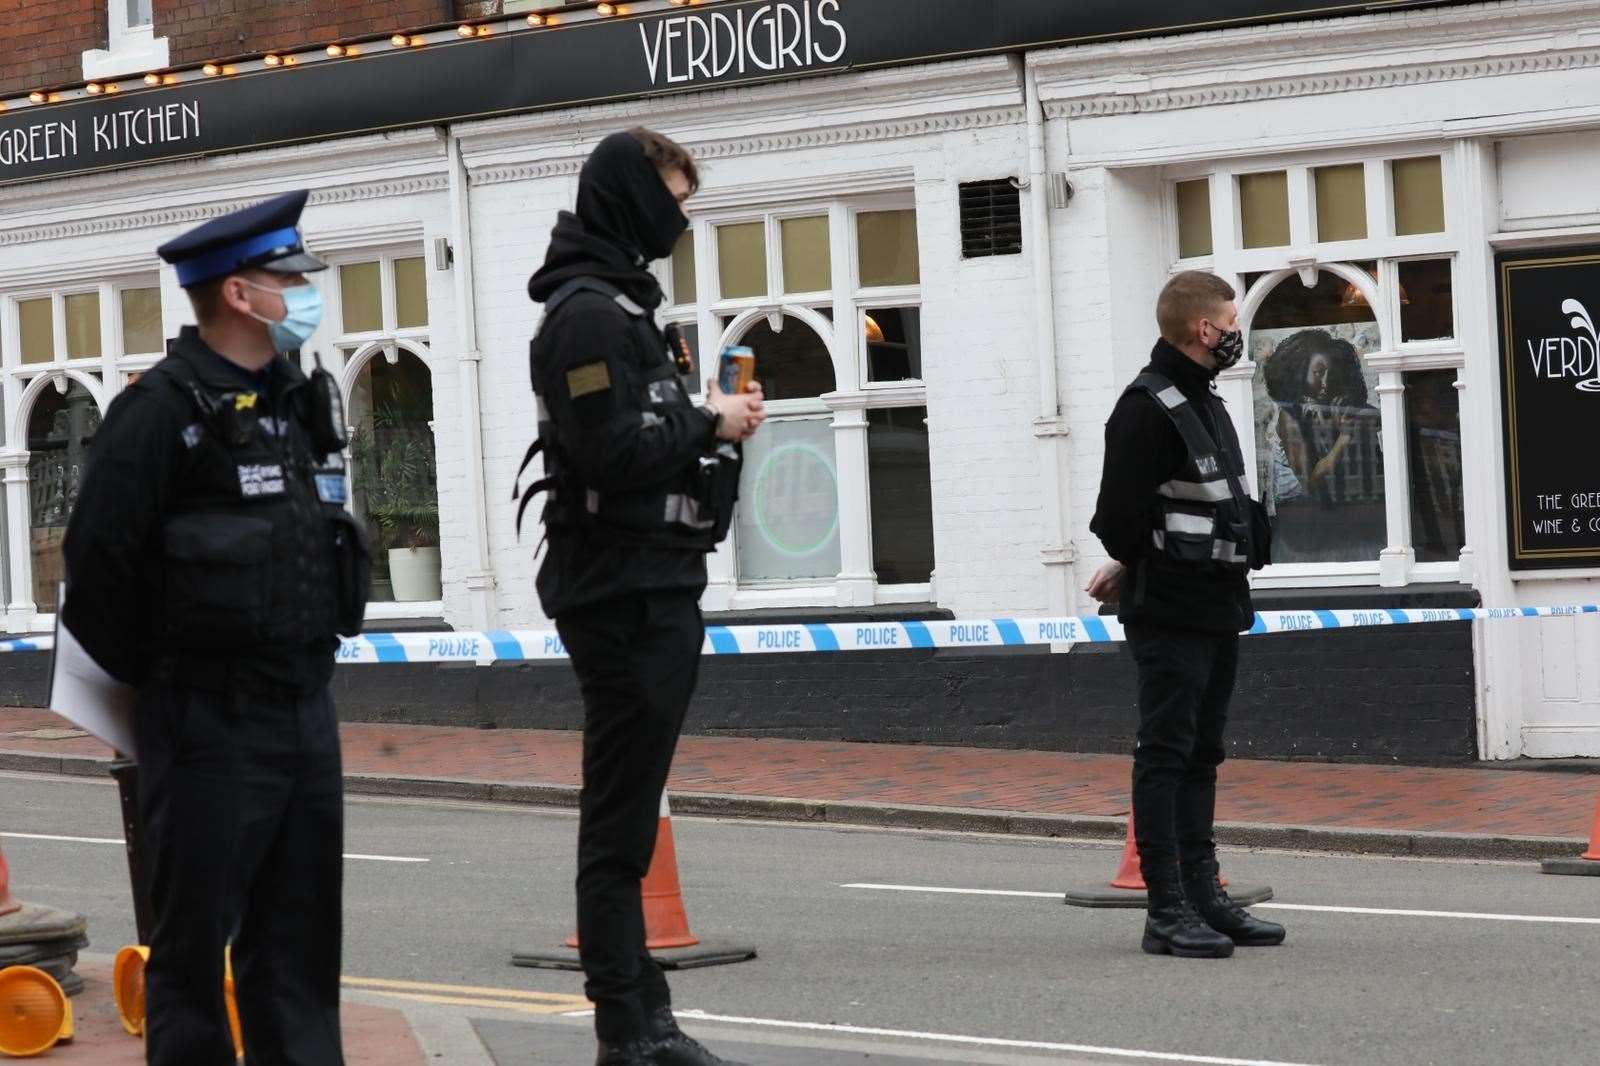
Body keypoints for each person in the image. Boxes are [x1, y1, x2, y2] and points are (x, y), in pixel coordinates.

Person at [62, 190, 367, 1065]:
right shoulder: (161, 413)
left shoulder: (290, 401)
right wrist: (167, 687)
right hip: (207, 720)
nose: (304, 294)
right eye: (289, 280)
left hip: (304, 711)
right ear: (239, 293)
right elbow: (98, 570)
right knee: (193, 960)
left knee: (298, 953)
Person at [523, 128, 765, 1066]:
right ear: (628, 197)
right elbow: (608, 450)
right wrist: (707, 416)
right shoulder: (587, 316)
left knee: (626, 813)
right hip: (619, 590)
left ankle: (642, 1016)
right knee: (618, 820)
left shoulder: (624, 308)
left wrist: (709, 429)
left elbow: (642, 440)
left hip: (652, 581)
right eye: (672, 197)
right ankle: (629, 1026)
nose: (682, 217)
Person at [1086, 270, 1286, 959]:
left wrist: (1140, 557)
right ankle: (1165, 908)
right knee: (1166, 754)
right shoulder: (1145, 407)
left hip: (1215, 604)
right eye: (1231, 321)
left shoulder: (1203, 399)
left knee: (1202, 753)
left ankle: (1204, 896)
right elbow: (1119, 519)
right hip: (1171, 611)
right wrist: (1138, 563)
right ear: (1205, 330)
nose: (1236, 332)